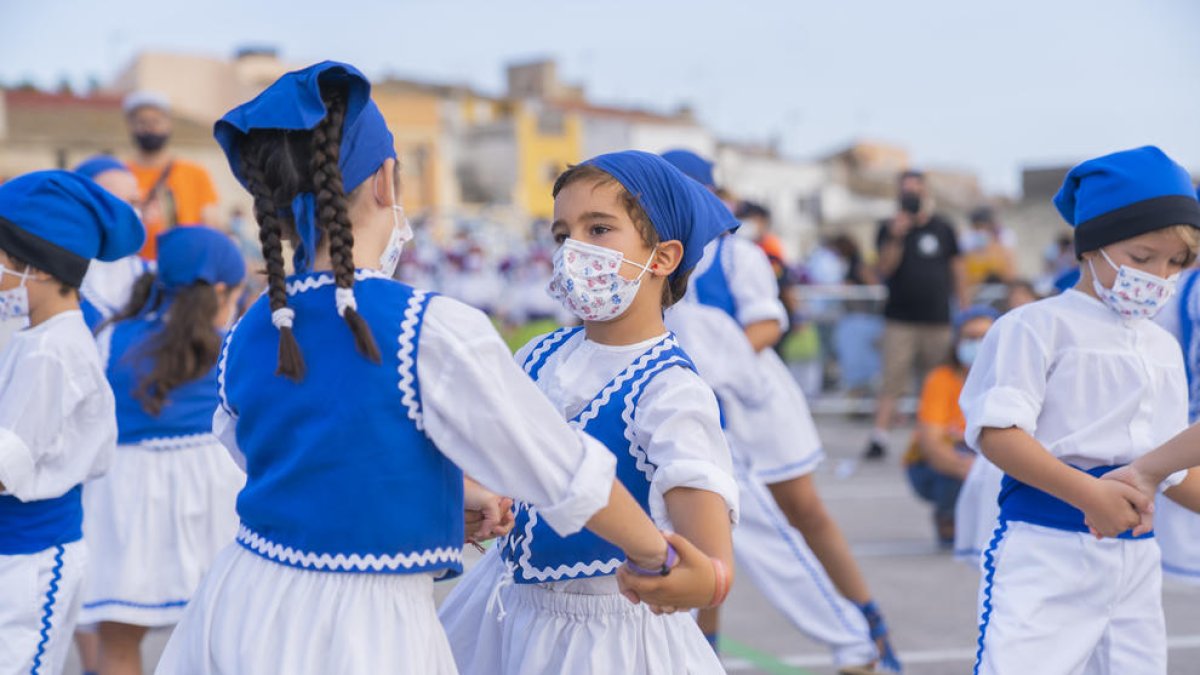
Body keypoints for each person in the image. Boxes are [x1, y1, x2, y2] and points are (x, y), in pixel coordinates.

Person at [154, 62, 715, 675]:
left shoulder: (256, 324)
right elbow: (567, 476)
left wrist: (452, 496)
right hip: (360, 623)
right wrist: (659, 558)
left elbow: (294, 458)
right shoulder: (429, 326)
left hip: (239, 597)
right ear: (386, 182)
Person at [439, 152, 737, 674]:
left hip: (610, 644)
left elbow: (711, 566)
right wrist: (478, 503)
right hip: (508, 620)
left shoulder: (670, 391)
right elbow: (496, 468)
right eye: (562, 234)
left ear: (663, 258)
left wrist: (678, 578)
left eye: (599, 229)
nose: (575, 249)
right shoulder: (535, 357)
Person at [961, 146, 1200, 674]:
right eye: (1143, 258)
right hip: (1047, 551)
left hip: (1137, 559)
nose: (1159, 276)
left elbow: (1173, 468)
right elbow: (998, 433)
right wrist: (1089, 494)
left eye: (1177, 263)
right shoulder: (1035, 327)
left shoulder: (1162, 348)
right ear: (1090, 246)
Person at [662, 149, 900, 672]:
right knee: (700, 530)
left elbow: (768, 324)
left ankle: (868, 625)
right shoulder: (654, 257)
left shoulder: (736, 254)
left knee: (804, 512)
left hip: (755, 402)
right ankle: (704, 653)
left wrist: (713, 368)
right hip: (696, 409)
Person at [79, 227, 247, 675]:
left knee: (117, 641)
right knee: (225, 639)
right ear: (219, 290)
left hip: (124, 490)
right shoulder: (236, 344)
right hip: (214, 490)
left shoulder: (110, 336)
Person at [0, 171, 144, 675]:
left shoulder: (55, 351)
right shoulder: (28, 334)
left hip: (29, 560)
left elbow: (5, 462)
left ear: (33, 266)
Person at [867, 170, 967, 460]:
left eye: (915, 190)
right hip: (900, 319)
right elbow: (884, 269)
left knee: (938, 378)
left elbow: (957, 269)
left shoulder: (943, 228)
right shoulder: (889, 228)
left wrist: (964, 308)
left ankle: (939, 435)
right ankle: (879, 437)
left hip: (938, 319)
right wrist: (897, 235)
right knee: (892, 379)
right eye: (905, 190)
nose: (910, 195)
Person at [904, 306, 997, 547]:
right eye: (970, 338)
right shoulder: (941, 379)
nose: (978, 344)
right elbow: (932, 444)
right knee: (956, 474)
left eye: (984, 337)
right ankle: (949, 519)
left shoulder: (1011, 378)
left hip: (993, 457)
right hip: (945, 463)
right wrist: (968, 470)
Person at [122, 91, 220, 261]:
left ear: (168, 124)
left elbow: (211, 224)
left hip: (183, 266)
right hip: (133, 268)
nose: (149, 128)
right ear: (131, 126)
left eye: (156, 121)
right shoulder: (120, 174)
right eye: (142, 122)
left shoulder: (195, 173)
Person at [74, 156, 153, 332]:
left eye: (134, 203)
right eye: (116, 203)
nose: (131, 214)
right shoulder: (58, 280)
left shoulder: (153, 277)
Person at [961, 207, 1016, 290]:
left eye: (982, 226)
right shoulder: (967, 243)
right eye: (976, 227)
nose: (980, 231)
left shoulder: (1004, 243)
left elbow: (1010, 274)